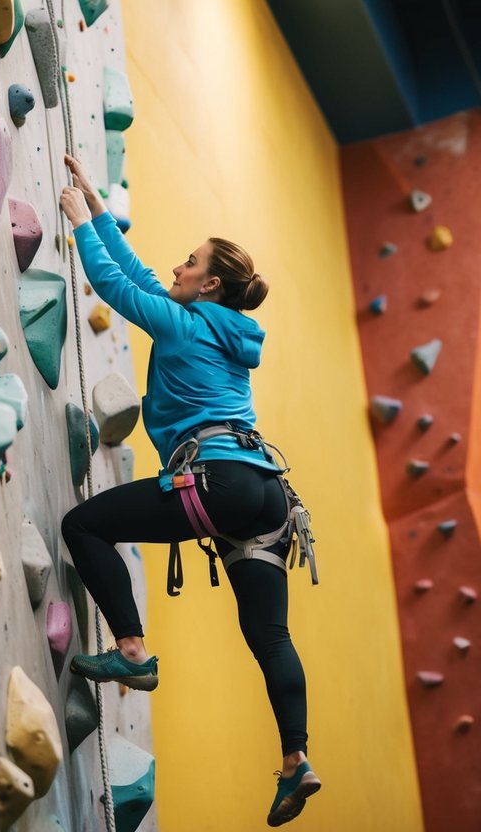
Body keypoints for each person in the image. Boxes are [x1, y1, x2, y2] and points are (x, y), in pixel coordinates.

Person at [58, 155, 321, 827]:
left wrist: (80, 226)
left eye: (189, 263)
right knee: (269, 635)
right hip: (267, 494)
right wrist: (98, 204)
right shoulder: (222, 326)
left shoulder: (184, 321)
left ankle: (132, 653)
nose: (177, 267)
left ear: (206, 286)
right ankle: (295, 759)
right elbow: (145, 277)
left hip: (220, 481)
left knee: (83, 526)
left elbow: (117, 289)